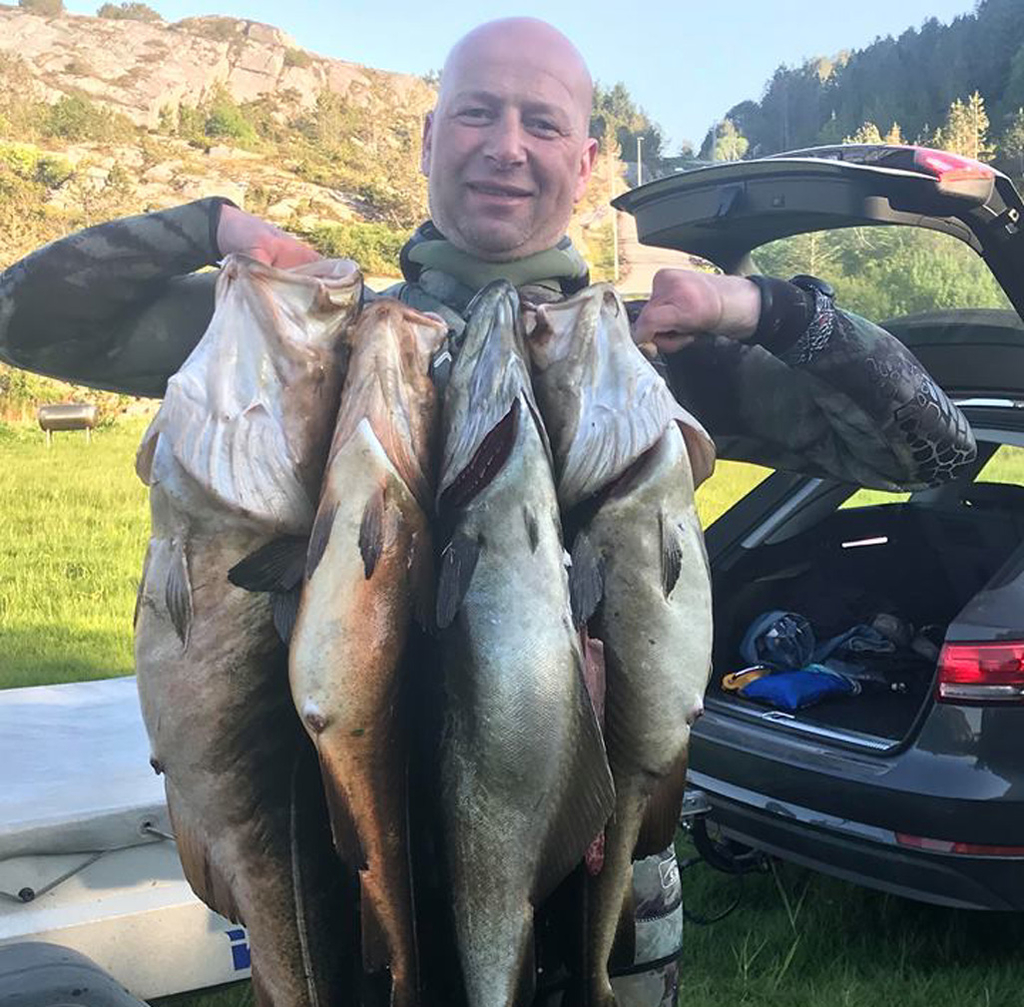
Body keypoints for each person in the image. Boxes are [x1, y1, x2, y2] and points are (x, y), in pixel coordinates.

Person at [0, 16, 975, 1007]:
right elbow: (23, 319)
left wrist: (767, 309)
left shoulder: (639, 361)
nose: (507, 146)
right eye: (477, 113)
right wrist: (208, 228)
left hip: (592, 907)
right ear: (429, 140)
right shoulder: (309, 345)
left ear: (584, 162)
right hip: (357, 874)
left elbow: (932, 449)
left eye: (541, 123)